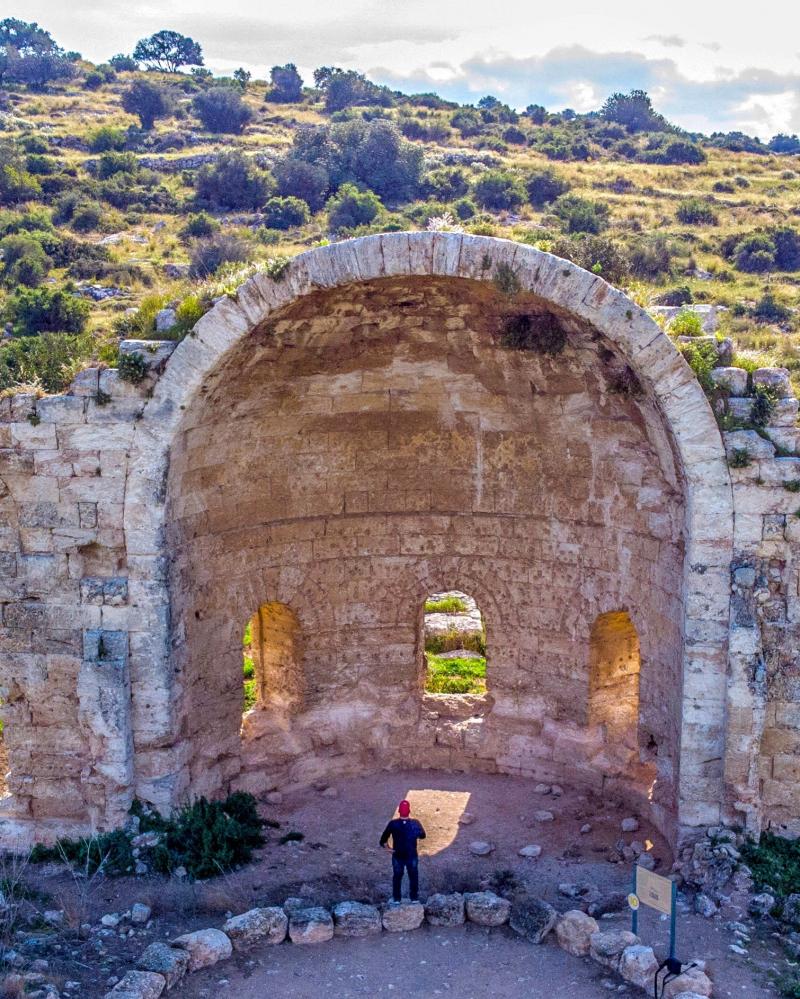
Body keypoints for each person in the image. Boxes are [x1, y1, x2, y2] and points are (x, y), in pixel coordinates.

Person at [380, 799, 426, 903]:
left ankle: (397, 899)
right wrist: (414, 833)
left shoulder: (393, 824)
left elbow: (383, 840)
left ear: (399, 811)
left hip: (397, 855)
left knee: (397, 877)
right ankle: (414, 898)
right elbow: (423, 836)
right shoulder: (415, 823)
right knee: (413, 877)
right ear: (409, 811)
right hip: (411, 855)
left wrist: (388, 849)